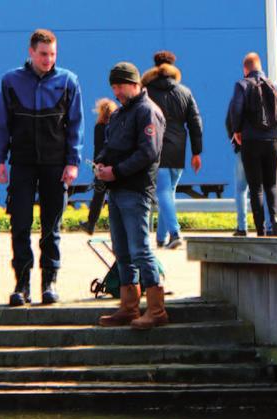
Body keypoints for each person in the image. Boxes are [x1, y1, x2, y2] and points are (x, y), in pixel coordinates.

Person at [0, 29, 84, 306]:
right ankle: (21, 284)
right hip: (22, 162)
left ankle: (49, 282)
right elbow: (2, 123)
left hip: (56, 164)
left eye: (53, 54)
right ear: (31, 52)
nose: (48, 59)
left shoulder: (68, 81)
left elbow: (76, 126)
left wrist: (73, 162)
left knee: (51, 227)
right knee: (20, 223)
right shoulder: (11, 81)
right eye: (43, 54)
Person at [94, 62, 168, 330]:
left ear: (135, 84)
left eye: (120, 85)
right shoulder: (121, 114)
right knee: (123, 251)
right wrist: (101, 164)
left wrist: (117, 171)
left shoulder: (148, 112)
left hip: (135, 190)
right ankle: (129, 306)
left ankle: (156, 309)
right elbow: (109, 146)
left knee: (140, 250)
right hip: (117, 189)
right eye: (113, 86)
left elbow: (148, 152)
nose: (116, 92)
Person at [227, 52, 277, 237]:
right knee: (271, 184)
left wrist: (237, 131)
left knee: (255, 186)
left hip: (250, 141)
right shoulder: (275, 85)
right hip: (272, 141)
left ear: (245, 69)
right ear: (260, 67)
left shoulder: (241, 85)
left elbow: (236, 109)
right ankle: (274, 222)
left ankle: (259, 229)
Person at [142, 50, 203, 249]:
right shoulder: (184, 92)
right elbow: (195, 123)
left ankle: (175, 232)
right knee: (168, 193)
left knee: (163, 193)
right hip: (178, 149)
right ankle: (161, 238)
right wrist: (196, 152)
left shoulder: (146, 92)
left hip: (155, 146)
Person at [82, 98, 118, 235]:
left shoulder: (99, 127)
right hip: (115, 165)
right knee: (116, 196)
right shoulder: (117, 126)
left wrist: (96, 165)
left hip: (102, 165)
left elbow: (98, 147)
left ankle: (91, 224)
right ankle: (115, 227)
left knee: (98, 195)